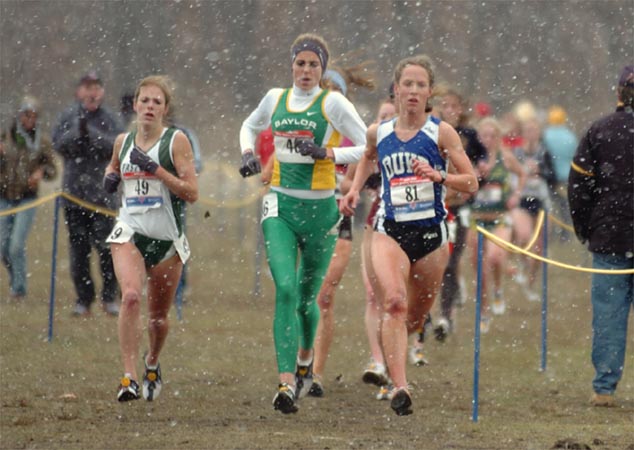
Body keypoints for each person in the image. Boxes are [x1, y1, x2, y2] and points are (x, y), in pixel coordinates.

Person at [340, 55, 478, 415]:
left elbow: (472, 182)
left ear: (429, 91)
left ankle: (400, 352)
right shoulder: (379, 131)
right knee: (394, 303)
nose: (413, 91)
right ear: (396, 89)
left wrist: (440, 176)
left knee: (414, 318)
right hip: (389, 229)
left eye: (420, 85)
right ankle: (400, 386)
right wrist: (354, 190)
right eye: (407, 84)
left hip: (432, 235)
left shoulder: (440, 132)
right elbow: (368, 157)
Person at [238, 33, 367, 414]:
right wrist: (247, 153)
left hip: (321, 213)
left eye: (313, 64)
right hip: (279, 206)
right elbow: (248, 126)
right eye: (300, 63)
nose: (306, 70)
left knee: (309, 300)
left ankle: (306, 358)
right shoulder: (275, 99)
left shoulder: (333, 104)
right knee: (286, 289)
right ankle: (285, 382)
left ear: (322, 69)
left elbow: (367, 144)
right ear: (291, 65)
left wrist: (328, 152)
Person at [104, 75, 198, 402]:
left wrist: (156, 170)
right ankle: (128, 376)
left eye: (157, 102)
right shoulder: (123, 141)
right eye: (144, 100)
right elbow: (113, 165)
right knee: (130, 296)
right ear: (135, 104)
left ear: (165, 109)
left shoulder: (176, 142)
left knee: (158, 320)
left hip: (167, 240)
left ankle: (152, 362)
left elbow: (192, 192)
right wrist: (111, 177)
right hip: (130, 231)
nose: (149, 106)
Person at [309, 63, 376, 398]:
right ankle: (298, 362)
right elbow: (271, 170)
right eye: (324, 91)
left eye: (334, 93)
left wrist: (346, 180)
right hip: (301, 215)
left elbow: (364, 171)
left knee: (323, 296)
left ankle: (315, 373)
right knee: (298, 295)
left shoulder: (353, 136)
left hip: (337, 218)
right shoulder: (301, 128)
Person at [568, 65, 633, 408]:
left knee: (608, 315)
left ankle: (604, 389)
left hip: (609, 237)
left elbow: (578, 187)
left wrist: (584, 228)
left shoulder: (599, 130)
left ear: (619, 94)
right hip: (612, 234)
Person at [52, 70, 123, 317]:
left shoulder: (111, 118)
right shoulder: (68, 116)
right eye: (87, 87)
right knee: (79, 252)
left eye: (95, 87)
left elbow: (118, 146)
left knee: (106, 250)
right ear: (78, 91)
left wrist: (91, 134)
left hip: (103, 196)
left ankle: (109, 297)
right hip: (74, 196)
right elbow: (59, 145)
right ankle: (84, 300)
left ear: (101, 92)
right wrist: (77, 130)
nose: (91, 92)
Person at [434, 86, 488, 339]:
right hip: (435, 206)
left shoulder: (470, 135)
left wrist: (476, 180)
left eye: (454, 106)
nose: (450, 110)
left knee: (451, 261)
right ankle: (436, 312)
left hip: (460, 207)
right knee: (434, 262)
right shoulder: (430, 131)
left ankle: (445, 316)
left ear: (462, 110)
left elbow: (482, 168)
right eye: (445, 105)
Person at [467, 117, 526, 332]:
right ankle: (484, 311)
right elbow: (462, 185)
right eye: (484, 136)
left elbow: (521, 174)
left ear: (498, 138)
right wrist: (472, 177)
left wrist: (516, 195)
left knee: (495, 256)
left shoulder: (505, 157)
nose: (488, 140)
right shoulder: (472, 160)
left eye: (492, 136)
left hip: (500, 217)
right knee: (480, 270)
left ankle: (499, 289)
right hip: (477, 219)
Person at [0, 96, 57, 300]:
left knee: (16, 244)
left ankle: (19, 288)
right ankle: (16, 276)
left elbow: (52, 169)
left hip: (27, 198)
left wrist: (41, 171)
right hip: (5, 196)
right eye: (26, 114)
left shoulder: (41, 141)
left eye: (33, 115)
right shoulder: (6, 136)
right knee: (2, 246)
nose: (29, 119)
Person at [509, 117, 555, 302]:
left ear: (539, 133)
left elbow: (553, 176)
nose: (531, 134)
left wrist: (540, 172)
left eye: (534, 130)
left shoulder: (544, 153)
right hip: (522, 200)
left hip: (541, 201)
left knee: (539, 250)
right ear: (523, 133)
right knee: (524, 236)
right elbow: (510, 173)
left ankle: (530, 282)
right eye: (528, 130)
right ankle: (521, 262)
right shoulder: (517, 153)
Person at [542, 105, 578, 242]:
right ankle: (565, 234)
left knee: (550, 206)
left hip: (551, 178)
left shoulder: (545, 135)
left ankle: (550, 234)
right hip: (567, 176)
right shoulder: (570, 136)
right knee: (564, 207)